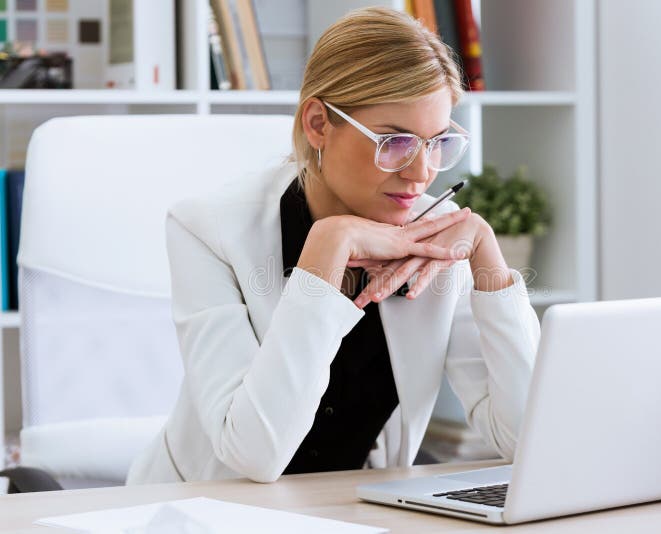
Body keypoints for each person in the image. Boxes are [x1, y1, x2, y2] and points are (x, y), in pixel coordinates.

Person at [126, 6, 540, 485]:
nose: (421, 172)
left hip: (346, 510)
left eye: (437, 142)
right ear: (319, 123)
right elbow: (255, 455)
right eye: (396, 142)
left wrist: (490, 262)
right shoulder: (206, 229)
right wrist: (327, 250)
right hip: (201, 511)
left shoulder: (437, 235)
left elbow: (524, 439)